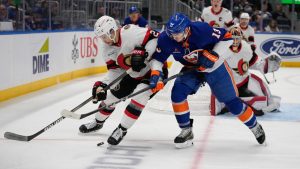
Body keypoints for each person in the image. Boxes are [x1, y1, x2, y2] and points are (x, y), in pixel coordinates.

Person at [149, 13, 266, 148]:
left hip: (214, 67)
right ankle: (186, 131)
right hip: (191, 68)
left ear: (187, 29)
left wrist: (213, 55)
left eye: (178, 33)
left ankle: (254, 126)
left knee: (232, 103)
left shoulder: (201, 30)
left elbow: (227, 37)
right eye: (171, 34)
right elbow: (158, 59)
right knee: (177, 94)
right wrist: (155, 75)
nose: (174, 37)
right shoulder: (166, 38)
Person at [79, 15, 167, 145]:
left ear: (111, 31)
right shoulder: (106, 49)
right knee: (110, 98)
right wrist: (103, 84)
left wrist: (145, 54)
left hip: (153, 71)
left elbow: (155, 37)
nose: (103, 40)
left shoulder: (130, 32)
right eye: (101, 37)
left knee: (139, 97)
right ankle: (97, 123)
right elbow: (115, 70)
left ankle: (122, 129)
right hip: (133, 74)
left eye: (104, 36)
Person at [210, 27, 281, 116]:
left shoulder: (246, 48)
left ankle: (269, 102)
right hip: (226, 85)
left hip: (243, 82)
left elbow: (254, 62)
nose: (235, 41)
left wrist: (267, 65)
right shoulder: (221, 48)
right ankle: (232, 104)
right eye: (233, 38)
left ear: (241, 38)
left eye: (237, 38)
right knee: (214, 110)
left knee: (259, 83)